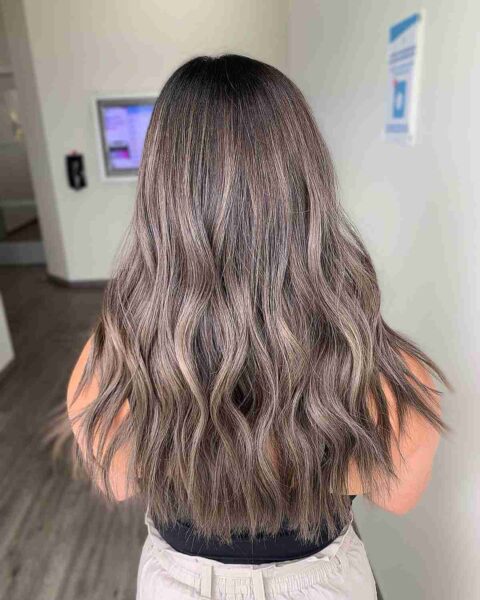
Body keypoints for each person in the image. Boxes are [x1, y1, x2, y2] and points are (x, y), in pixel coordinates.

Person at [64, 54, 450, 600]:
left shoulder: (114, 358)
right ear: (306, 183)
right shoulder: (374, 364)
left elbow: (116, 479)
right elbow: (400, 494)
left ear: (161, 193)